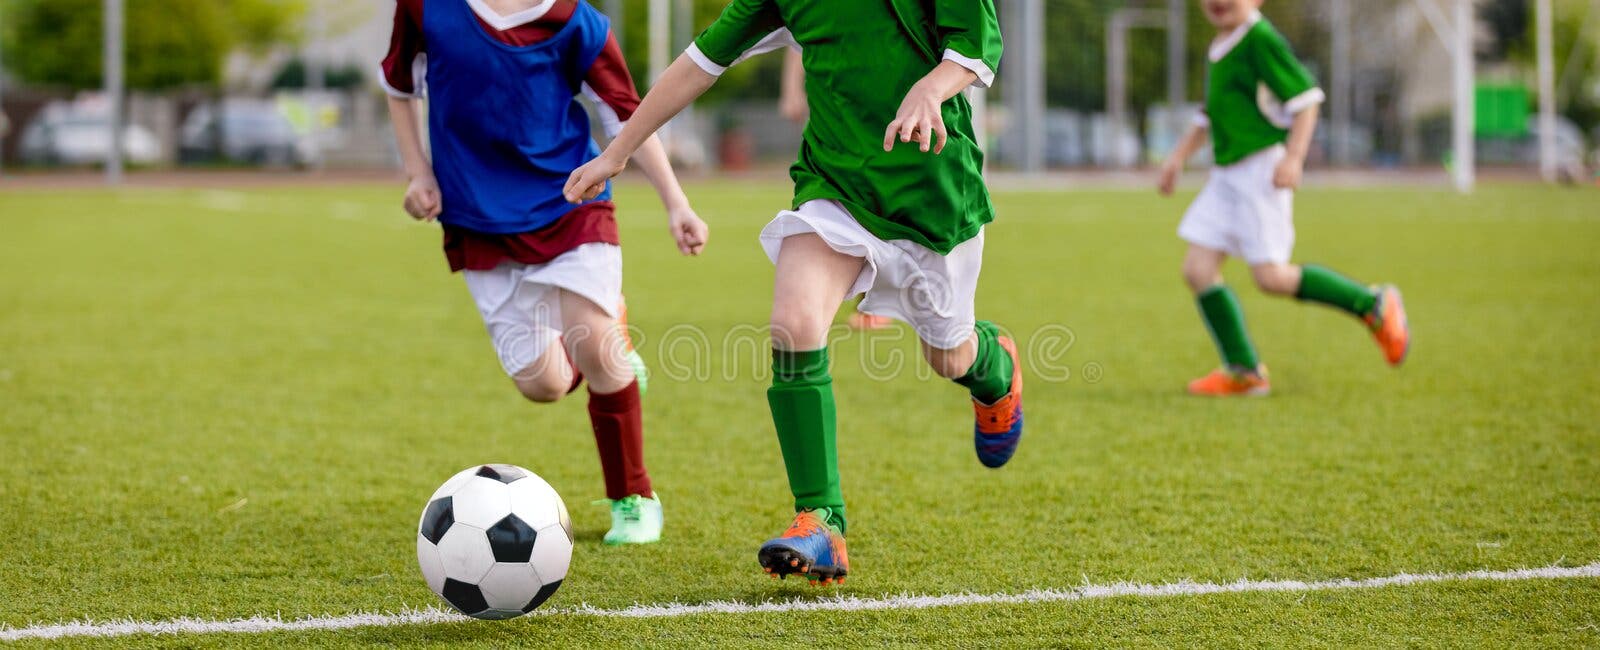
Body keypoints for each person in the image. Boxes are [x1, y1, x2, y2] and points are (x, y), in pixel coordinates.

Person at [566, 0, 1020, 586]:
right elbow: (700, 63)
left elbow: (978, 44)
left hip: (934, 195)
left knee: (949, 354)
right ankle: (822, 521)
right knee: (794, 322)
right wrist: (618, 151)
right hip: (835, 186)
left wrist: (933, 86)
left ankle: (995, 368)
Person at [380, 0, 708, 544]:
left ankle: (633, 496)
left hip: (571, 202)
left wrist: (676, 202)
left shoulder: (579, 22)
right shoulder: (425, 8)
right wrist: (419, 173)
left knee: (597, 348)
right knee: (544, 384)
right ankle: (610, 348)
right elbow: (398, 86)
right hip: (480, 218)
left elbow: (627, 115)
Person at [1158, 0, 1410, 397]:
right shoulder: (1221, 45)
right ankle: (1244, 370)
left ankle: (1372, 304)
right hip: (1226, 176)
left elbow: (1307, 101)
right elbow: (1209, 116)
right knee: (1197, 270)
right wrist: (1176, 159)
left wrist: (1294, 158)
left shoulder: (1260, 39)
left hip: (1261, 171)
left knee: (1272, 277)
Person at [779, 49, 892, 332]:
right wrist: (792, 90)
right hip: (831, 112)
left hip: (877, 111)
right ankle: (848, 301)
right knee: (826, 204)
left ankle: (877, 300)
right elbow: (797, 40)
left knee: (876, 200)